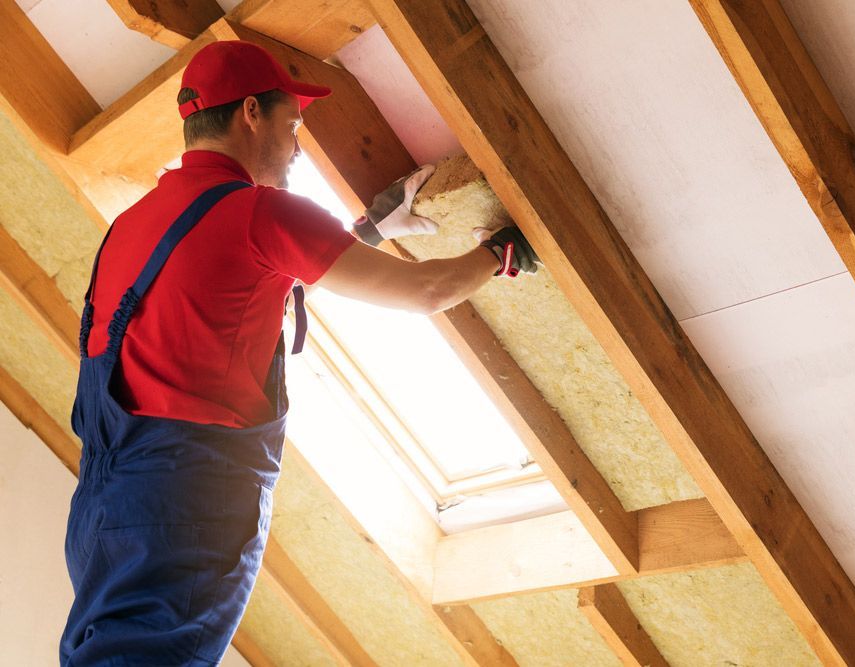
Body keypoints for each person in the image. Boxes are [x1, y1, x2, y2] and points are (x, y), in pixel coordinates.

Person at [60, 39, 538, 666]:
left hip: (103, 514)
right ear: (251, 113)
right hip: (188, 504)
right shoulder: (263, 213)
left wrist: (366, 234)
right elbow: (427, 291)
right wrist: (502, 252)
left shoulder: (132, 222)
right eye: (293, 124)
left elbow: (233, 295)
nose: (296, 146)